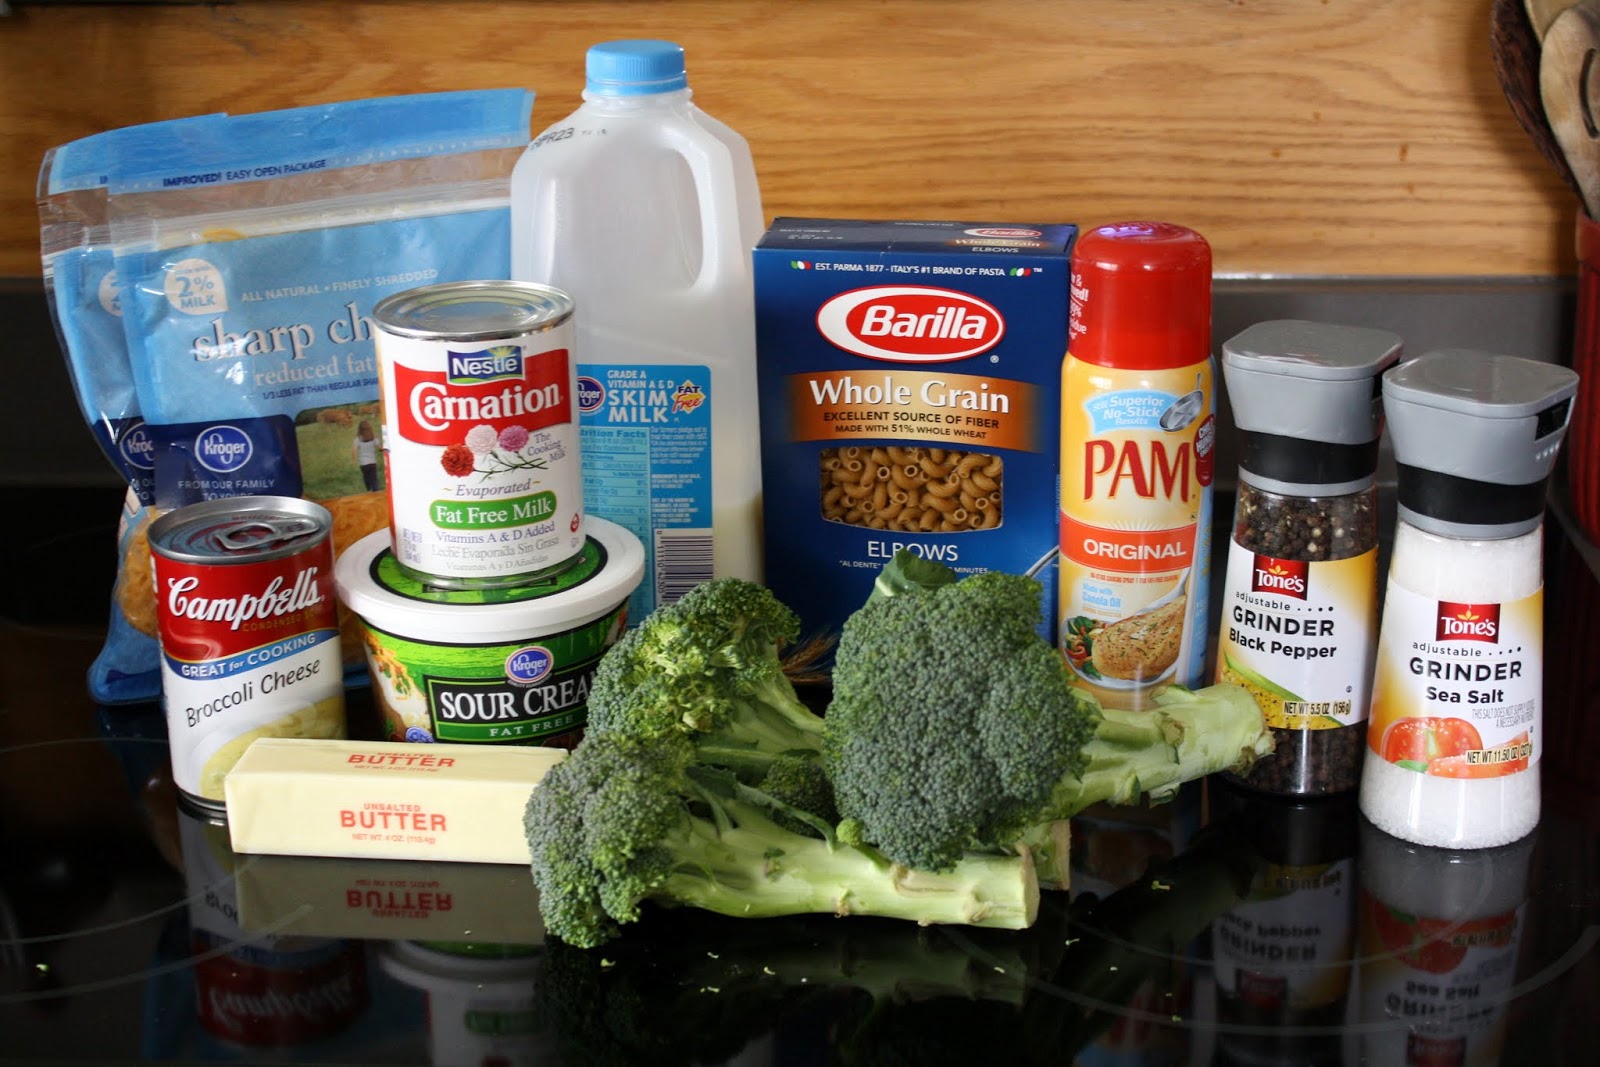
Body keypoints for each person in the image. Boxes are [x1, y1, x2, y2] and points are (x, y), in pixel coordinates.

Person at [352, 418, 381, 491]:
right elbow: (380, 448)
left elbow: (354, 450)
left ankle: (368, 488)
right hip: (372, 462)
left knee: (366, 477)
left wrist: (354, 460)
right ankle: (375, 490)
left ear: (360, 430)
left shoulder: (357, 439)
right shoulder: (374, 438)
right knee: (374, 478)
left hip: (363, 463)